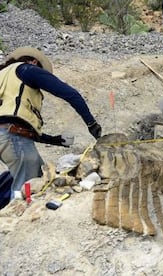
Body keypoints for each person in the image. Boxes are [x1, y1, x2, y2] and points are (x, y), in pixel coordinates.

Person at [0, 46, 102, 201]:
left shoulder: (4, 77)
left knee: (40, 176)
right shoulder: (28, 69)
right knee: (27, 191)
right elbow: (70, 94)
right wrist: (91, 123)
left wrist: (53, 140)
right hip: (12, 137)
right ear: (34, 61)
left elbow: (11, 120)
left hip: (8, 137)